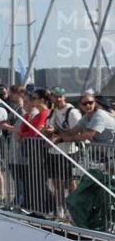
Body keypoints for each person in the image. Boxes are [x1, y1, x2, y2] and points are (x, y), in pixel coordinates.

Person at [44, 87, 82, 216]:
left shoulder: (72, 112)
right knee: (56, 182)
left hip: (69, 152)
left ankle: (74, 211)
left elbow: (77, 131)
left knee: (71, 183)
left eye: (60, 96)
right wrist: (47, 132)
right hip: (54, 152)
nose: (57, 99)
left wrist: (56, 133)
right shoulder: (52, 111)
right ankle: (59, 210)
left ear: (64, 96)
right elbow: (47, 129)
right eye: (55, 96)